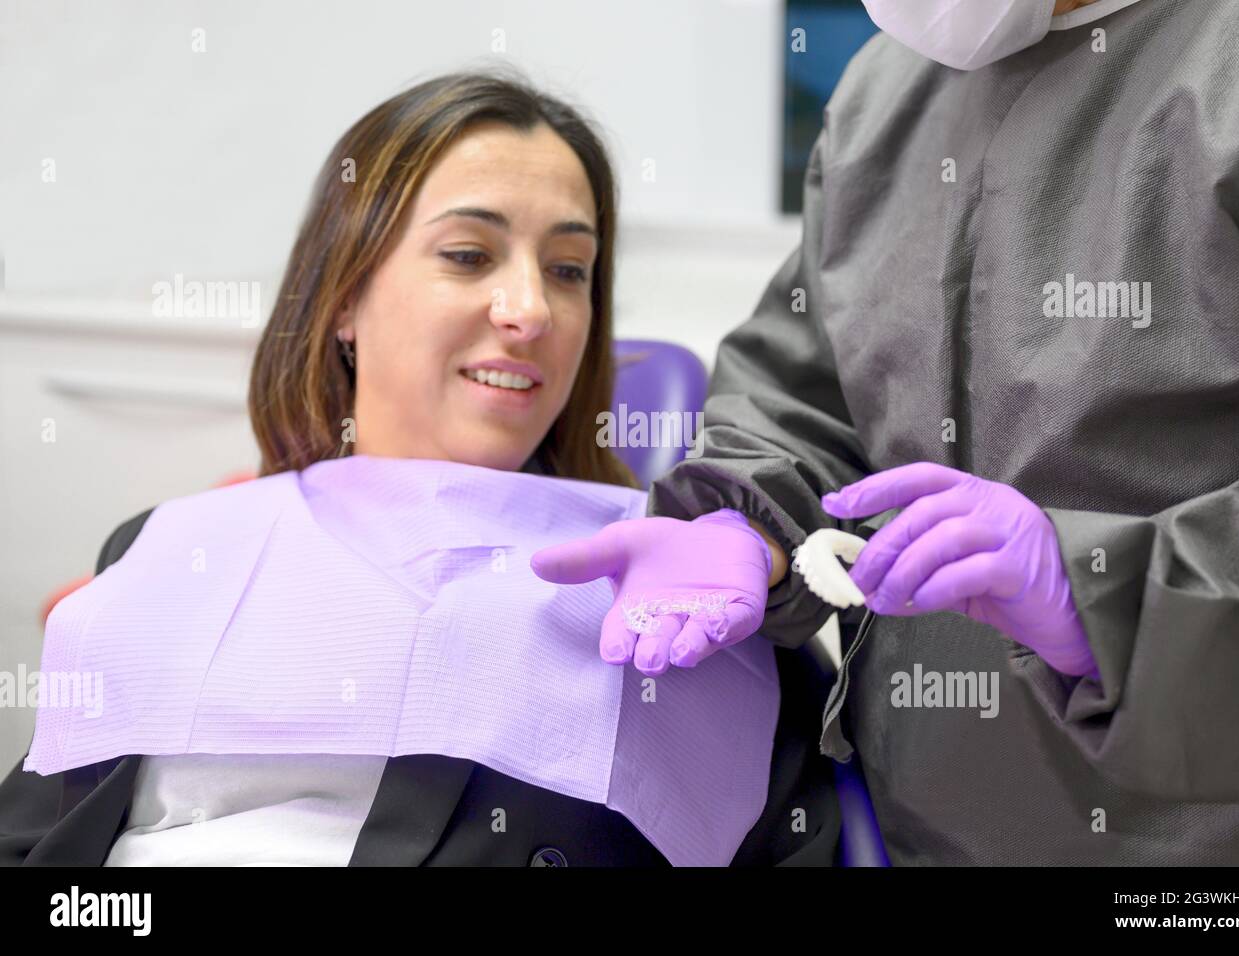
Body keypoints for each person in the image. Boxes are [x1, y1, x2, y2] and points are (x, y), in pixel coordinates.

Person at [0, 72, 839, 867]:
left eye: (568, 270)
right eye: (469, 255)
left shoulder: (681, 594)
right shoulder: (168, 546)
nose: (530, 311)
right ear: (342, 300)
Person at [532, 0, 1239, 864]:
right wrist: (745, 518)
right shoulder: (878, 97)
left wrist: (1103, 593)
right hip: (916, 822)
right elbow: (808, 386)